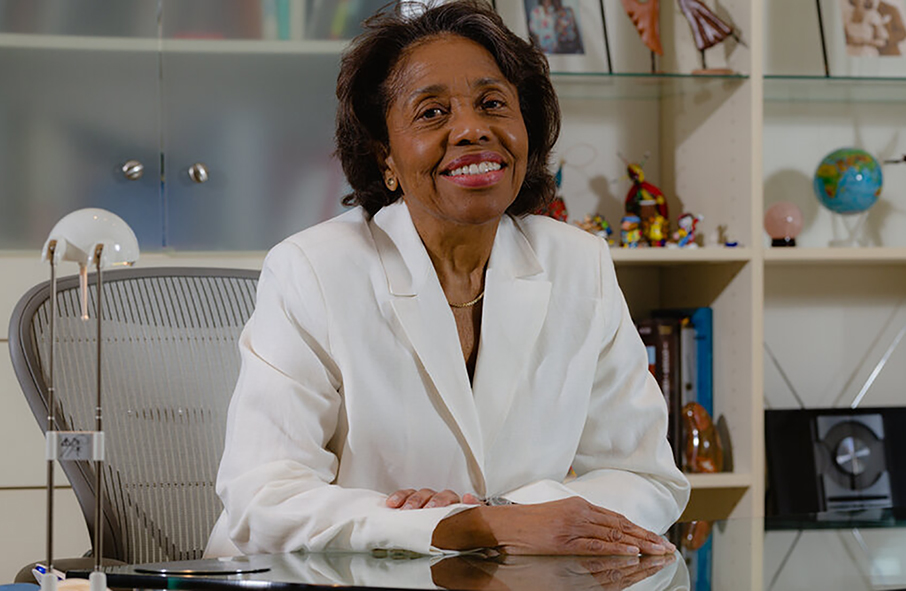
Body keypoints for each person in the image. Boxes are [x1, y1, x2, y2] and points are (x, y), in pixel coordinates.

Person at [205, 0, 689, 558]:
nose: (471, 130)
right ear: (384, 155)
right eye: (432, 113)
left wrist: (500, 517)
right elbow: (263, 498)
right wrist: (457, 529)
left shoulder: (579, 264)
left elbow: (648, 478)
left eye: (492, 103)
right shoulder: (311, 269)